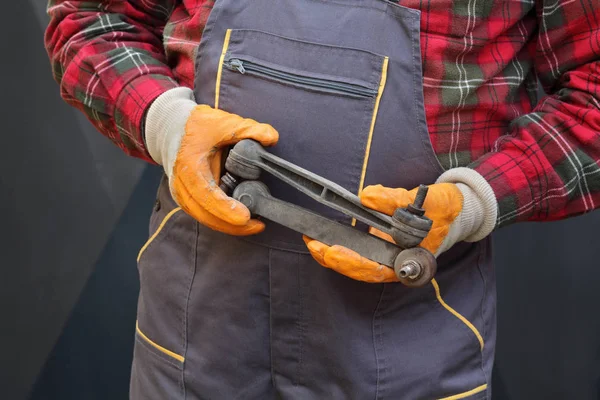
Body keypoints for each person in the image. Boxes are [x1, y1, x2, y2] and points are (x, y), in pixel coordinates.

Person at [44, 0, 600, 398]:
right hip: (196, 337)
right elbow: (91, 18)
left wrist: (475, 202)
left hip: (411, 350)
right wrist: (165, 122)